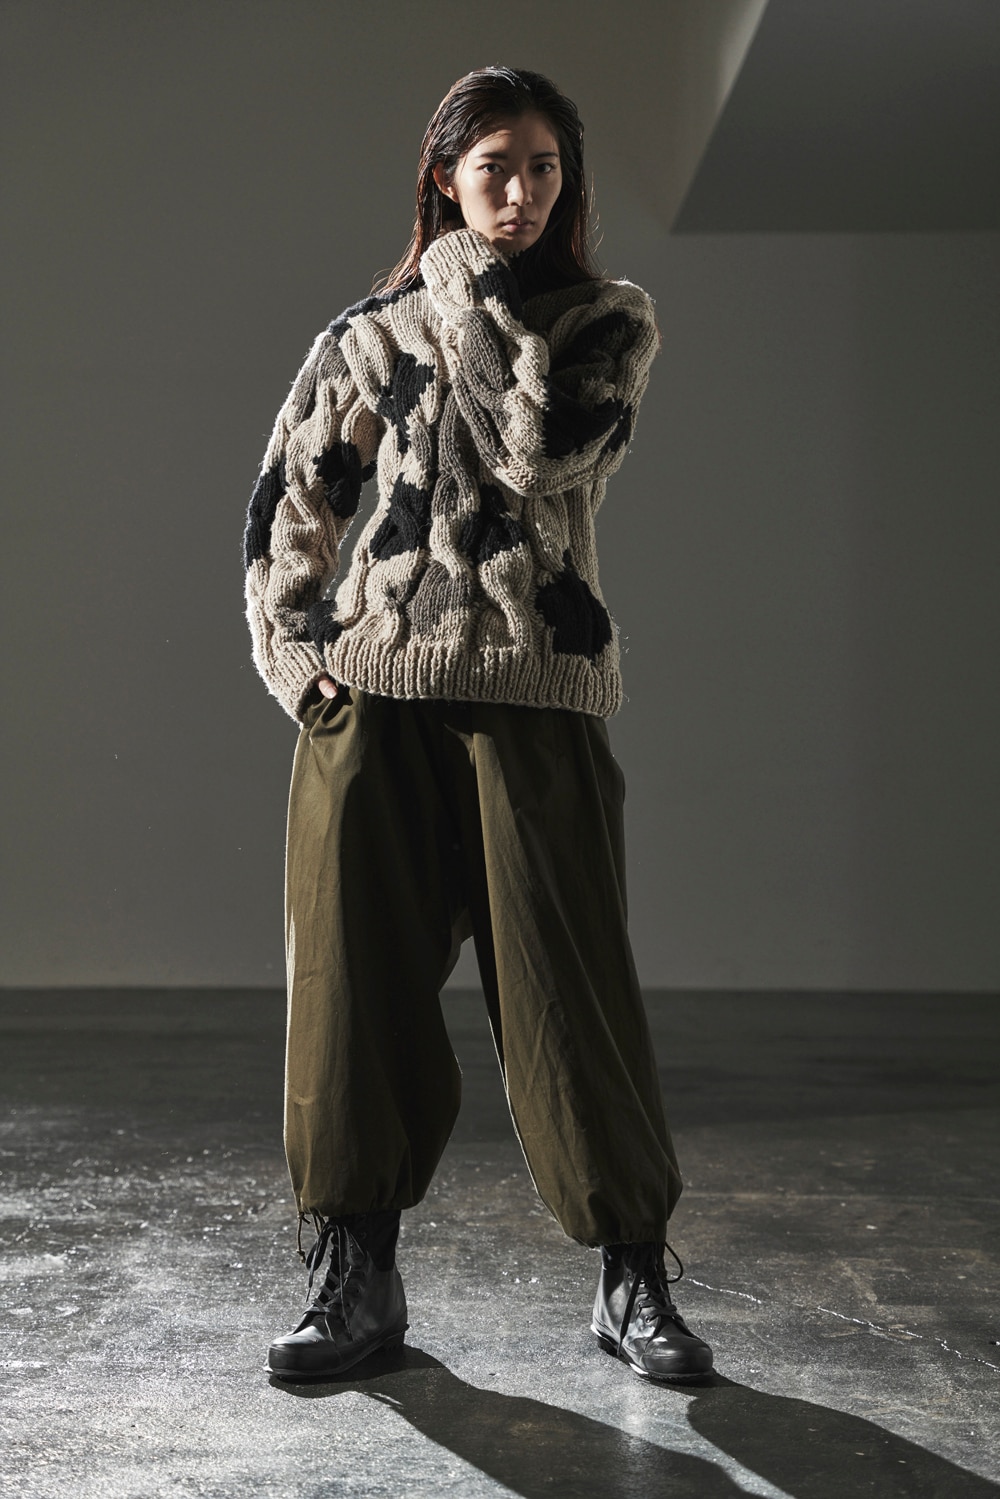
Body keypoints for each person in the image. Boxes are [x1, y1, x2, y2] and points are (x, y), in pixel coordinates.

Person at [243, 64, 713, 1386]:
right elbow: (292, 500)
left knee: (574, 998)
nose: (521, 191)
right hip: (375, 704)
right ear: (444, 177)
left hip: (535, 696)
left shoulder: (602, 328)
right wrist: (300, 665)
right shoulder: (365, 335)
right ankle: (354, 1280)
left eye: (544, 167)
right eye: (494, 166)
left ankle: (633, 1279)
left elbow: (536, 450)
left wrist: (461, 283)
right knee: (351, 998)